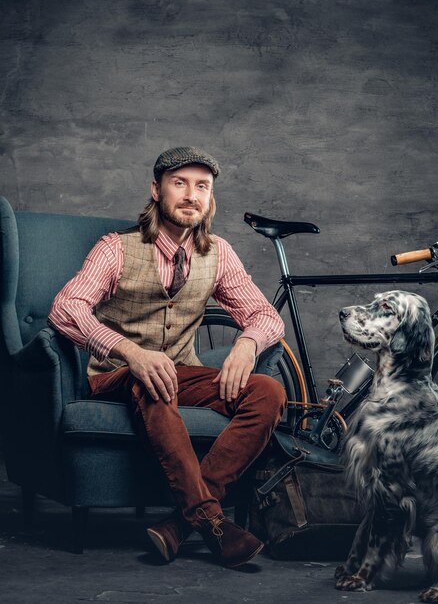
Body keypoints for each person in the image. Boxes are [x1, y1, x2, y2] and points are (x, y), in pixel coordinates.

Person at [48, 146, 286, 568]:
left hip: (182, 370)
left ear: (210, 199)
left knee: (267, 390)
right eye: (180, 183)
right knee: (151, 376)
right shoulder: (116, 248)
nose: (191, 195)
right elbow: (66, 308)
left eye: (202, 187)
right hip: (115, 374)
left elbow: (264, 314)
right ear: (156, 190)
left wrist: (247, 344)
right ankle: (213, 523)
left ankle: (182, 522)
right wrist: (129, 351)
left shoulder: (218, 254)